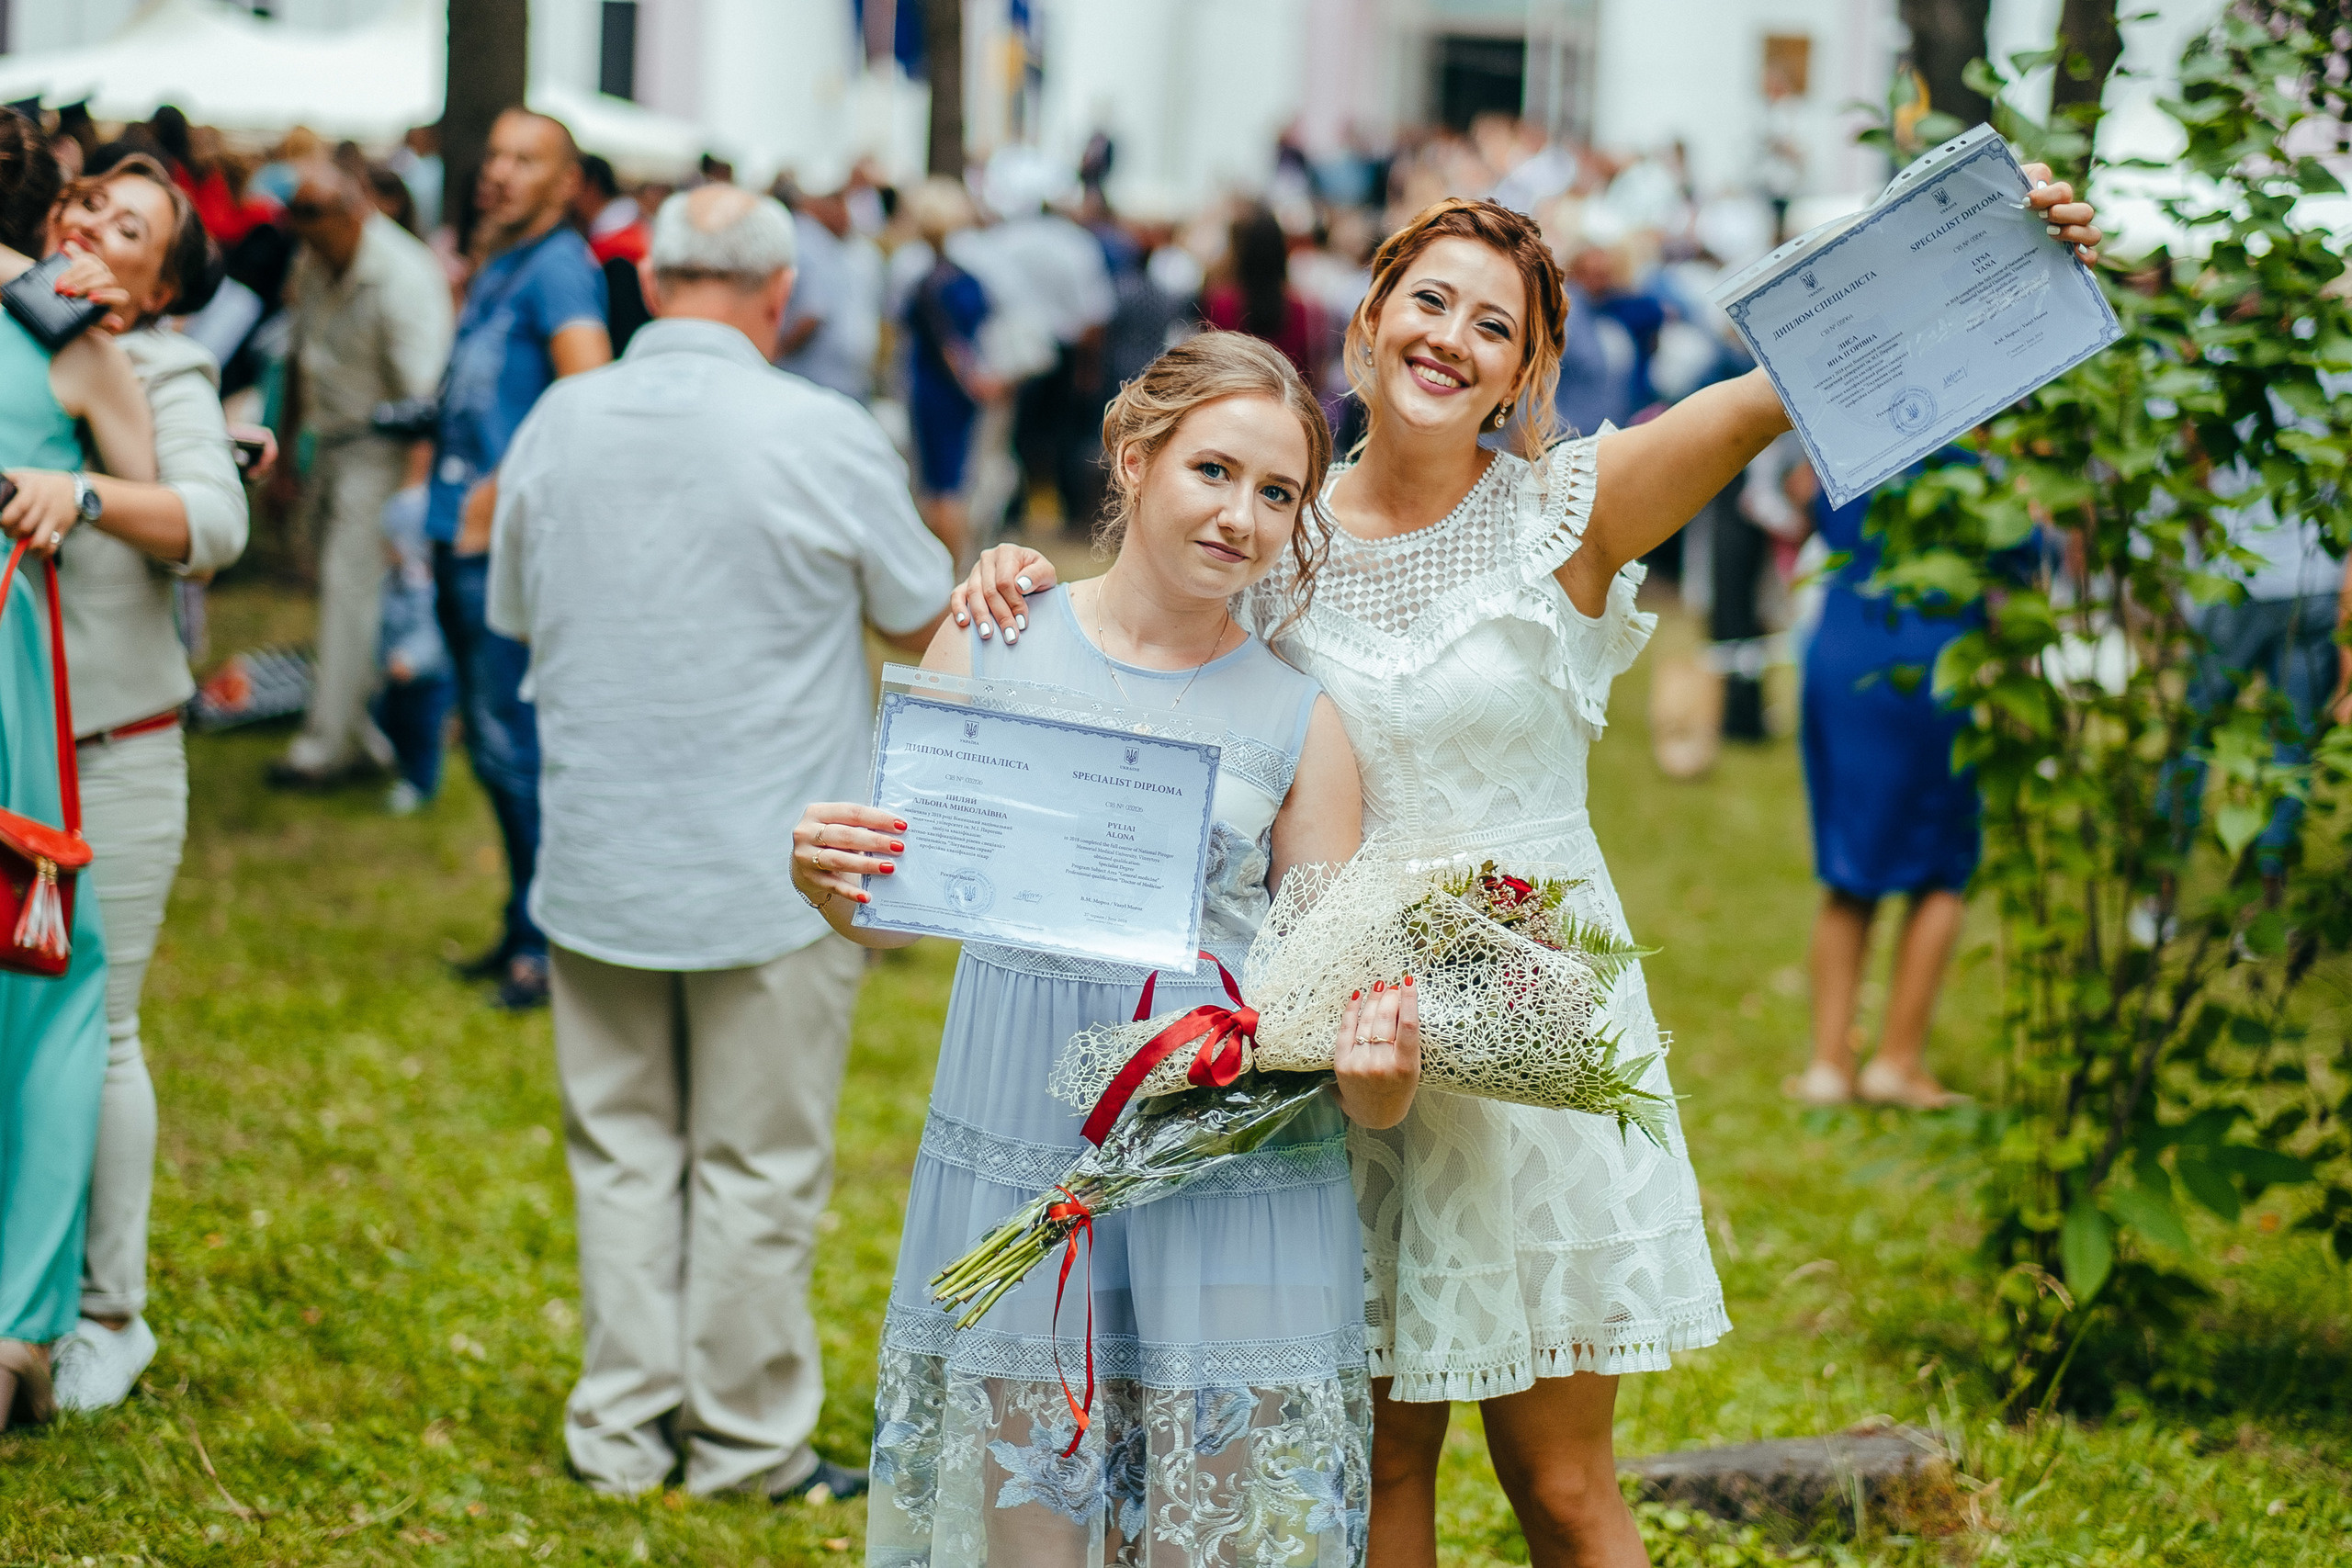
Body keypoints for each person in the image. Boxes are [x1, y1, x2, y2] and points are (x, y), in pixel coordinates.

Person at [956, 181, 2103, 1565]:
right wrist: (1010, 576)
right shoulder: (1272, 519)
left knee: (1557, 1481)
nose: (1452, 337)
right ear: (1371, 319)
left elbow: (1778, 385)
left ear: (1525, 368)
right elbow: (1131, 628)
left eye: (1493, 325)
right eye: (1429, 301)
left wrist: (1993, 239)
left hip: (1532, 1028)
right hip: (1333, 1032)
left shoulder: (1573, 507)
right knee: (1372, 1460)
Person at [795, 331, 1420, 1563]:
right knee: (1033, 1525)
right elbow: (893, 899)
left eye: (1279, 491)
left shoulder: (1305, 721)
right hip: (1032, 1135)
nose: (1242, 514)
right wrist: (826, 880)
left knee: (1201, 1537)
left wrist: (1385, 1068)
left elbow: (1334, 1019)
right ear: (1134, 457)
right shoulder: (990, 637)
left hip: (1224, 1161)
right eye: (1213, 469)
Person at [485, 185, 951, 1499]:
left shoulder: (558, 420)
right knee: (758, 1161)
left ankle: (622, 1429)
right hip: (781, 856)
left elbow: (515, 614)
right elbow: (927, 611)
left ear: (647, 284)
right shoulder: (820, 428)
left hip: (599, 841)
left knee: (621, 1146)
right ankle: (747, 1440)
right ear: (779, 295)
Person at [0, 108, 165, 1429]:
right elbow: (159, 487)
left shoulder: (69, 321)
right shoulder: (64, 331)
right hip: (14, 694)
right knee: (44, 974)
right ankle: (16, 1328)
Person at [427, 107, 611, 1011]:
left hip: (505, 550)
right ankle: (521, 920)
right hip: (453, 533)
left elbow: (585, 396)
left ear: (565, 182)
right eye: (493, 154)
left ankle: (546, 945)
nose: (497, 172)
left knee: (514, 743)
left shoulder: (559, 269)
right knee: (491, 745)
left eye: (524, 160)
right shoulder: (498, 264)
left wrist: (499, 492)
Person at [1782, 458, 1981, 1111]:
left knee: (1848, 864)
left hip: (1843, 640)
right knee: (1943, 868)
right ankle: (1896, 1059)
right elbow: (2020, 553)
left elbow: (1810, 504)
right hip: (1933, 651)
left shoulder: (1850, 413)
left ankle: (1829, 1066)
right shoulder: (1979, 430)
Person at [267, 160, 453, 793]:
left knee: (354, 594)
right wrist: (290, 454)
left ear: (356, 211)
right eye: (296, 217)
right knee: (338, 591)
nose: (303, 232)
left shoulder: (402, 276)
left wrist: (412, 493)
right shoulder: (314, 260)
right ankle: (363, 732)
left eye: (314, 217)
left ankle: (327, 747)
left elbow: (427, 395)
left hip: (384, 448)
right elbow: (298, 359)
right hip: (333, 440)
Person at [901, 177, 999, 566]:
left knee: (941, 487)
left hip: (937, 389)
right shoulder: (969, 278)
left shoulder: (928, 283)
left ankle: (946, 568)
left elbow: (947, 346)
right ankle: (954, 563)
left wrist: (968, 378)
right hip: (963, 390)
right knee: (956, 479)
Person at [373, 484, 454, 817]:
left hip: (428, 674)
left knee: (422, 730)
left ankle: (421, 784)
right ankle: (403, 767)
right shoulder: (394, 578)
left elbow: (433, 627)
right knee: (388, 717)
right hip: (398, 672)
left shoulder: (425, 582)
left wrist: (411, 659)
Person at [774, 181, 883, 403]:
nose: (845, 214)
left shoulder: (829, 243)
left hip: (836, 377)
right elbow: (812, 313)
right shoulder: (805, 241)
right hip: (815, 376)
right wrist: (776, 353)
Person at [1204, 201, 1324, 384]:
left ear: (1243, 254)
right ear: (1281, 254)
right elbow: (1309, 373)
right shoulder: (1302, 310)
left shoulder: (1219, 304)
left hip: (1230, 394)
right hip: (1286, 400)